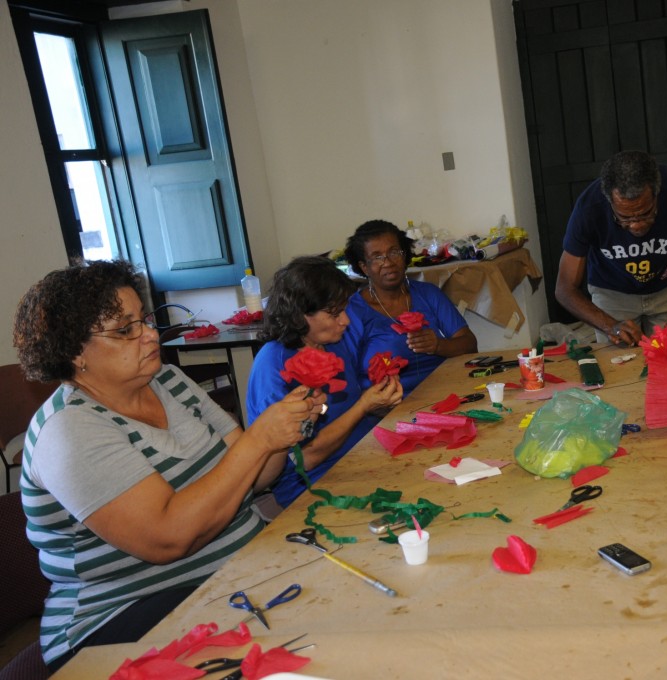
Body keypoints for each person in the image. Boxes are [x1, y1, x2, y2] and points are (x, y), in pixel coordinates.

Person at [13, 260, 325, 671]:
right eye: (125, 330)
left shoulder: (170, 382)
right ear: (73, 351)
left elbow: (258, 478)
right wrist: (260, 439)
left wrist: (286, 432)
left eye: (143, 320)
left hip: (229, 578)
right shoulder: (69, 430)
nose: (148, 334)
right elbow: (167, 539)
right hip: (120, 620)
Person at [246, 256, 403, 514]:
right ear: (300, 314)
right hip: (313, 484)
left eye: (344, 309)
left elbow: (348, 409)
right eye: (334, 313)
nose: (346, 321)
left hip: (361, 458)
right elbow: (305, 457)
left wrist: (381, 402)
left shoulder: (333, 343)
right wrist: (364, 406)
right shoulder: (274, 364)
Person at [555, 150, 667, 345]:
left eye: (646, 213)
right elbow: (564, 288)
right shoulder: (589, 207)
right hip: (612, 293)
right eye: (625, 218)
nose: (636, 225)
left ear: (657, 193)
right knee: (618, 366)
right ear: (609, 201)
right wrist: (609, 326)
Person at [343, 219, 478, 393]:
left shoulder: (428, 294)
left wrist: (438, 345)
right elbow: (347, 378)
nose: (388, 262)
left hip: (445, 393)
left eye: (394, 252)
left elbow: (470, 344)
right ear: (364, 267)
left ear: (405, 255)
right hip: (388, 406)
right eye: (377, 257)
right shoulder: (352, 312)